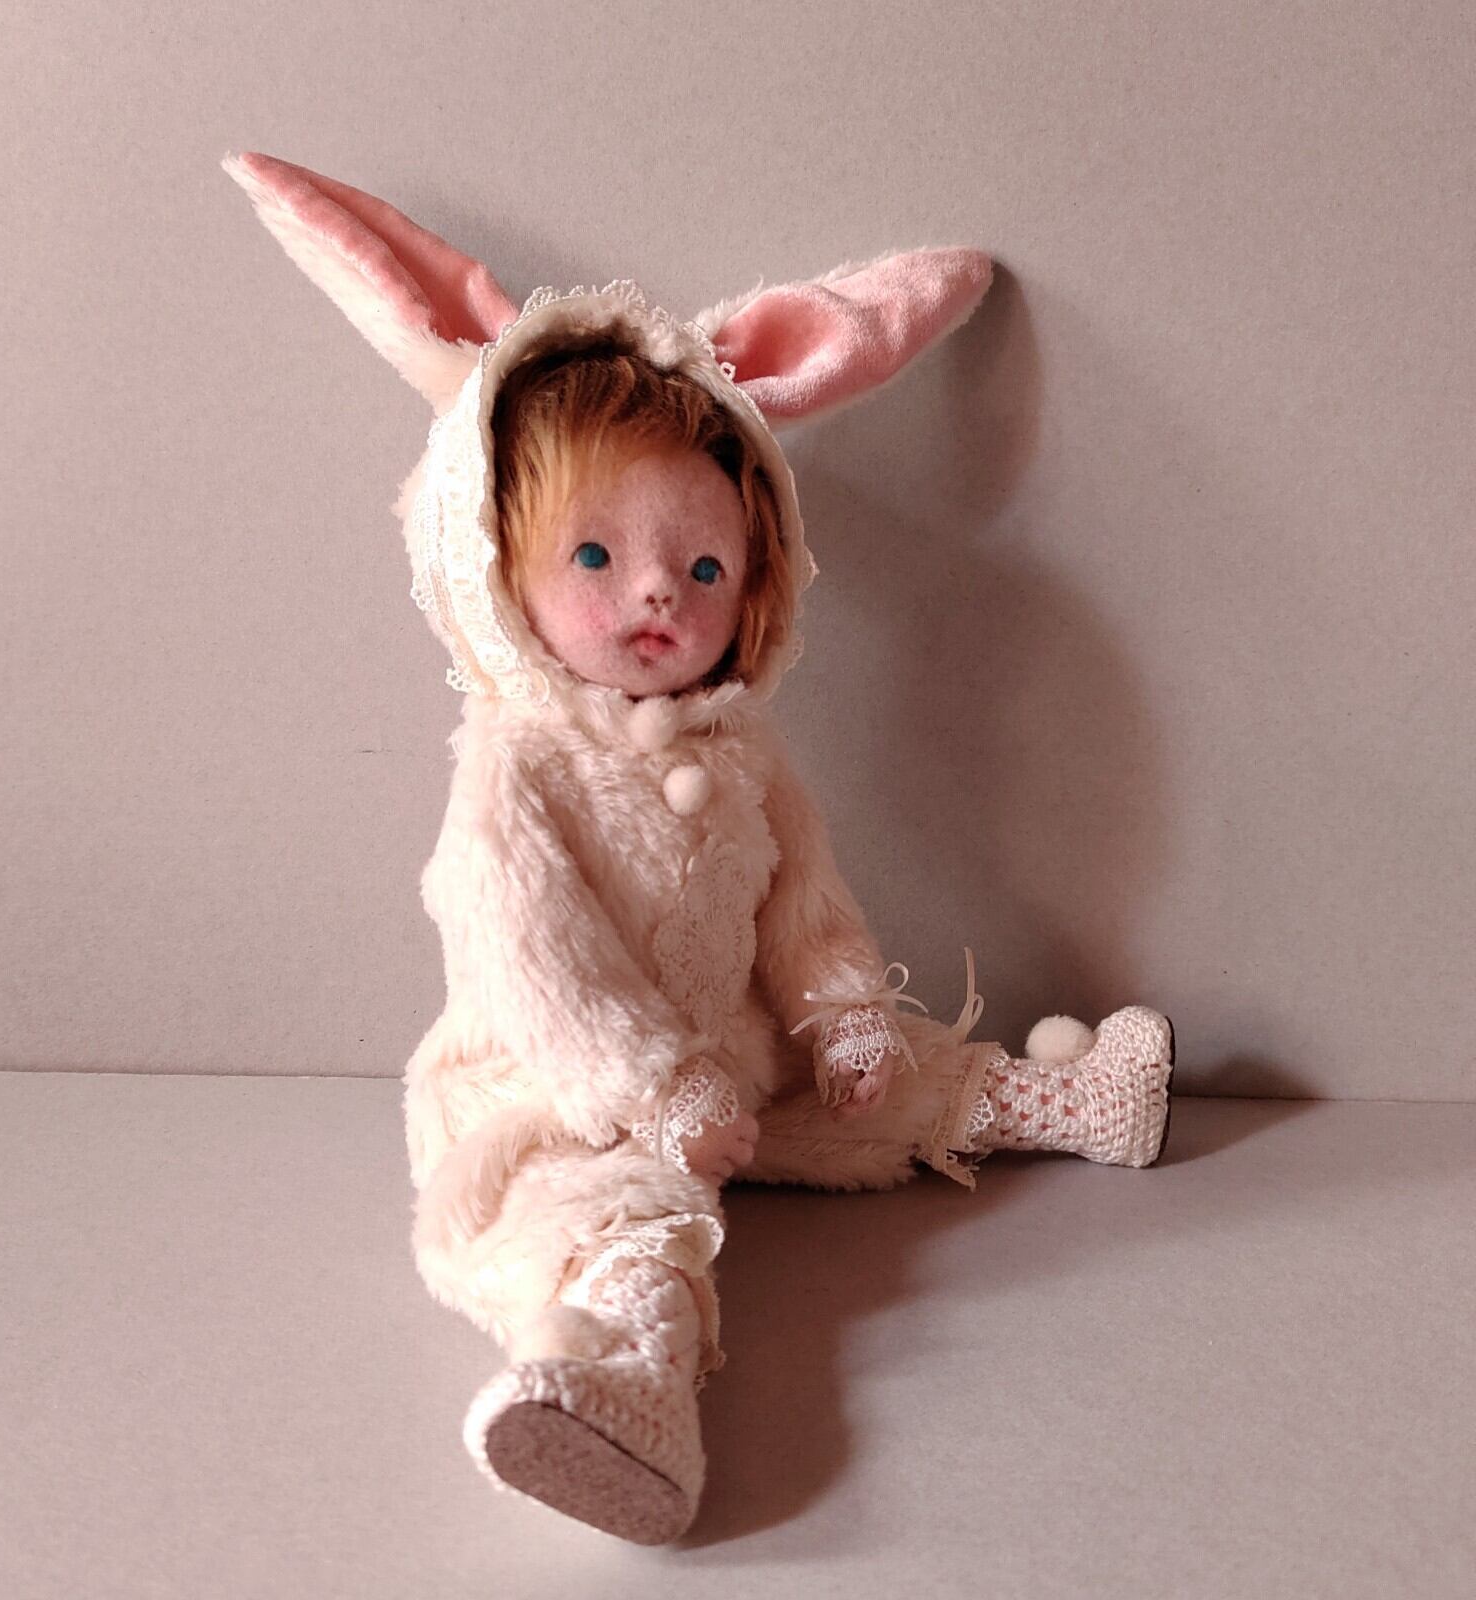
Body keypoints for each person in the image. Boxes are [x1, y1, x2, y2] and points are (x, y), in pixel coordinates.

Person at [225, 151, 1175, 1546]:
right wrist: (655, 1091)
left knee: (894, 1076)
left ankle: (1068, 1103)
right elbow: (532, 957)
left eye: (705, 566)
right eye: (595, 558)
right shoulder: (516, 768)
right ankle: (628, 1379)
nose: (658, 594)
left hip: (736, 1057)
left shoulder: (745, 754)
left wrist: (841, 1013)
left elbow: (804, 905)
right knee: (604, 1212)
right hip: (558, 1086)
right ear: (492, 564)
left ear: (759, 579)